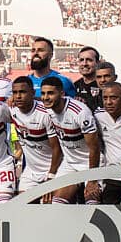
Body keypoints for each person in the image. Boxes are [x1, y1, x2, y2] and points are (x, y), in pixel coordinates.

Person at [41, 76, 101, 205]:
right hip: (70, 163)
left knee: (92, 202)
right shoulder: (46, 109)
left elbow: (94, 148)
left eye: (50, 93)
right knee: (56, 203)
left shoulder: (80, 112)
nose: (46, 97)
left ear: (62, 93)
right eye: (43, 93)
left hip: (90, 163)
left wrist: (92, 179)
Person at [9, 76, 61, 198]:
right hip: (30, 172)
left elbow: (57, 149)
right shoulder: (11, 110)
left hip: (53, 170)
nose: (18, 96)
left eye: (22, 92)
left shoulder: (46, 114)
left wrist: (51, 175)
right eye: (15, 92)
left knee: (50, 208)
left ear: (32, 93)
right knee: (23, 207)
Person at [73, 47, 101, 111]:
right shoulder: (75, 85)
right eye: (81, 60)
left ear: (98, 63)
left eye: (89, 60)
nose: (84, 64)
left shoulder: (104, 85)